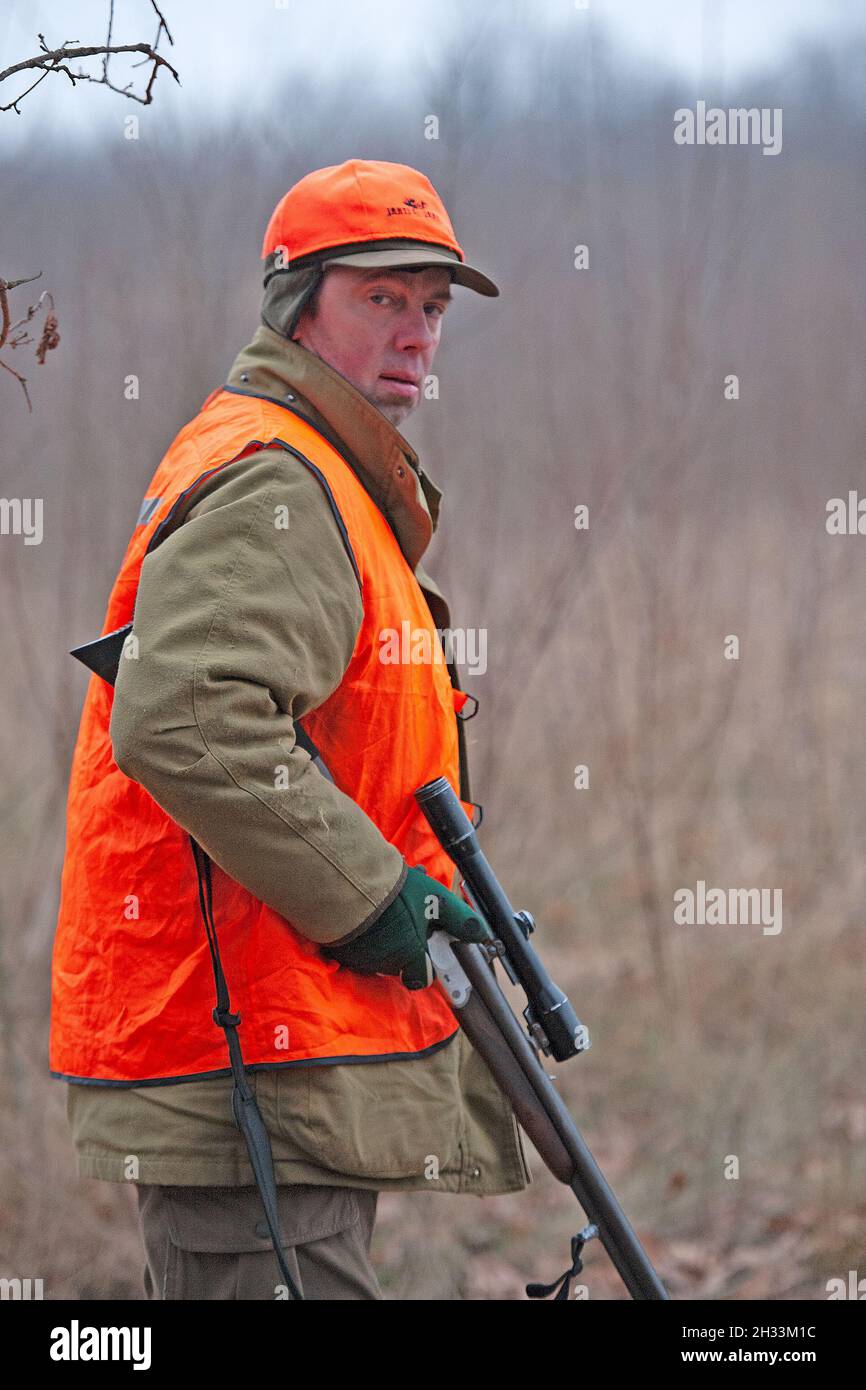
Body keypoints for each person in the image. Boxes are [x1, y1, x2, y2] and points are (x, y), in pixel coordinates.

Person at [49, 159, 531, 1302]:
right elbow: (185, 716)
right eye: (381, 297)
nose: (416, 332)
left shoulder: (321, 472)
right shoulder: (278, 479)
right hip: (240, 1058)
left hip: (275, 1042)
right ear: (296, 304)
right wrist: (375, 899)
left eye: (431, 306)